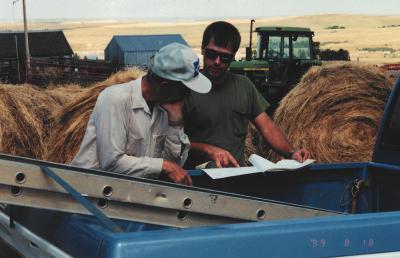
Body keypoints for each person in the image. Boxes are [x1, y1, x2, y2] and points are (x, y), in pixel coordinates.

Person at [72, 43, 211, 185]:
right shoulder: (115, 98)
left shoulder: (166, 108)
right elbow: (111, 163)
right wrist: (163, 166)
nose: (187, 96)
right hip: (88, 192)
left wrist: (175, 124)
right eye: (185, 90)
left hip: (129, 193)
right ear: (164, 85)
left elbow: (174, 166)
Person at [183, 21, 310, 169]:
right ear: (203, 50)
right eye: (212, 54)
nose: (217, 62)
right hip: (195, 178)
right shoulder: (185, 88)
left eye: (225, 58)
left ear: (233, 57)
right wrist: (207, 149)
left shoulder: (244, 86)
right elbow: (173, 141)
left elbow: (267, 126)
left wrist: (291, 152)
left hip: (234, 176)